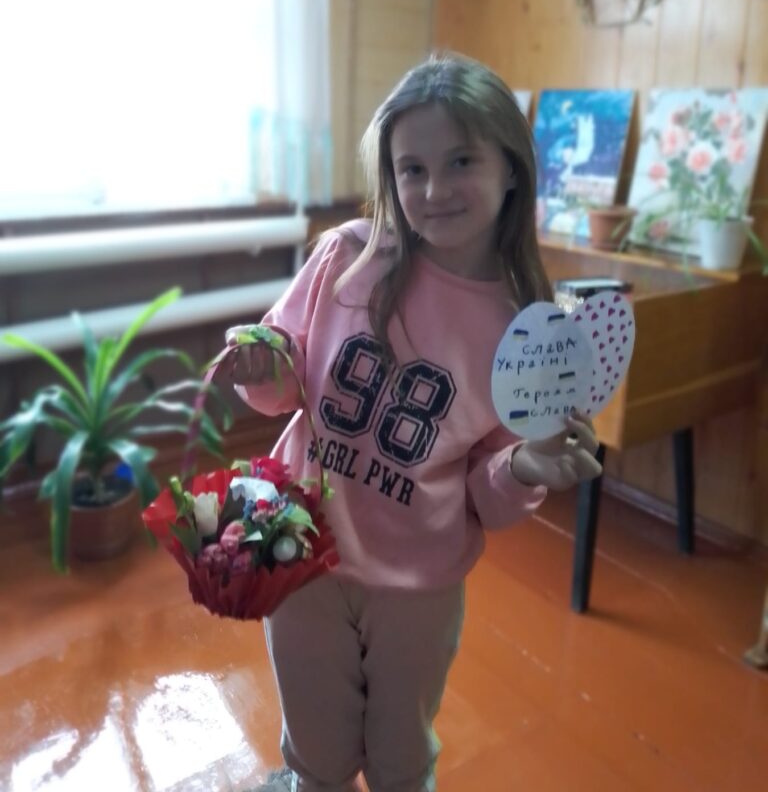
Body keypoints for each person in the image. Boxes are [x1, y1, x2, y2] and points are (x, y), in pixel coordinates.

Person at [226, 52, 602, 792]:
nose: (433, 190)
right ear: (389, 175)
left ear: (511, 167)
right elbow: (282, 385)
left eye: (461, 161)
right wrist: (259, 365)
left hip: (418, 585)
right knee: (315, 758)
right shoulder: (346, 255)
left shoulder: (526, 329)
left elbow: (488, 496)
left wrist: (527, 465)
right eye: (411, 168)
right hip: (299, 553)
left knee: (402, 762)